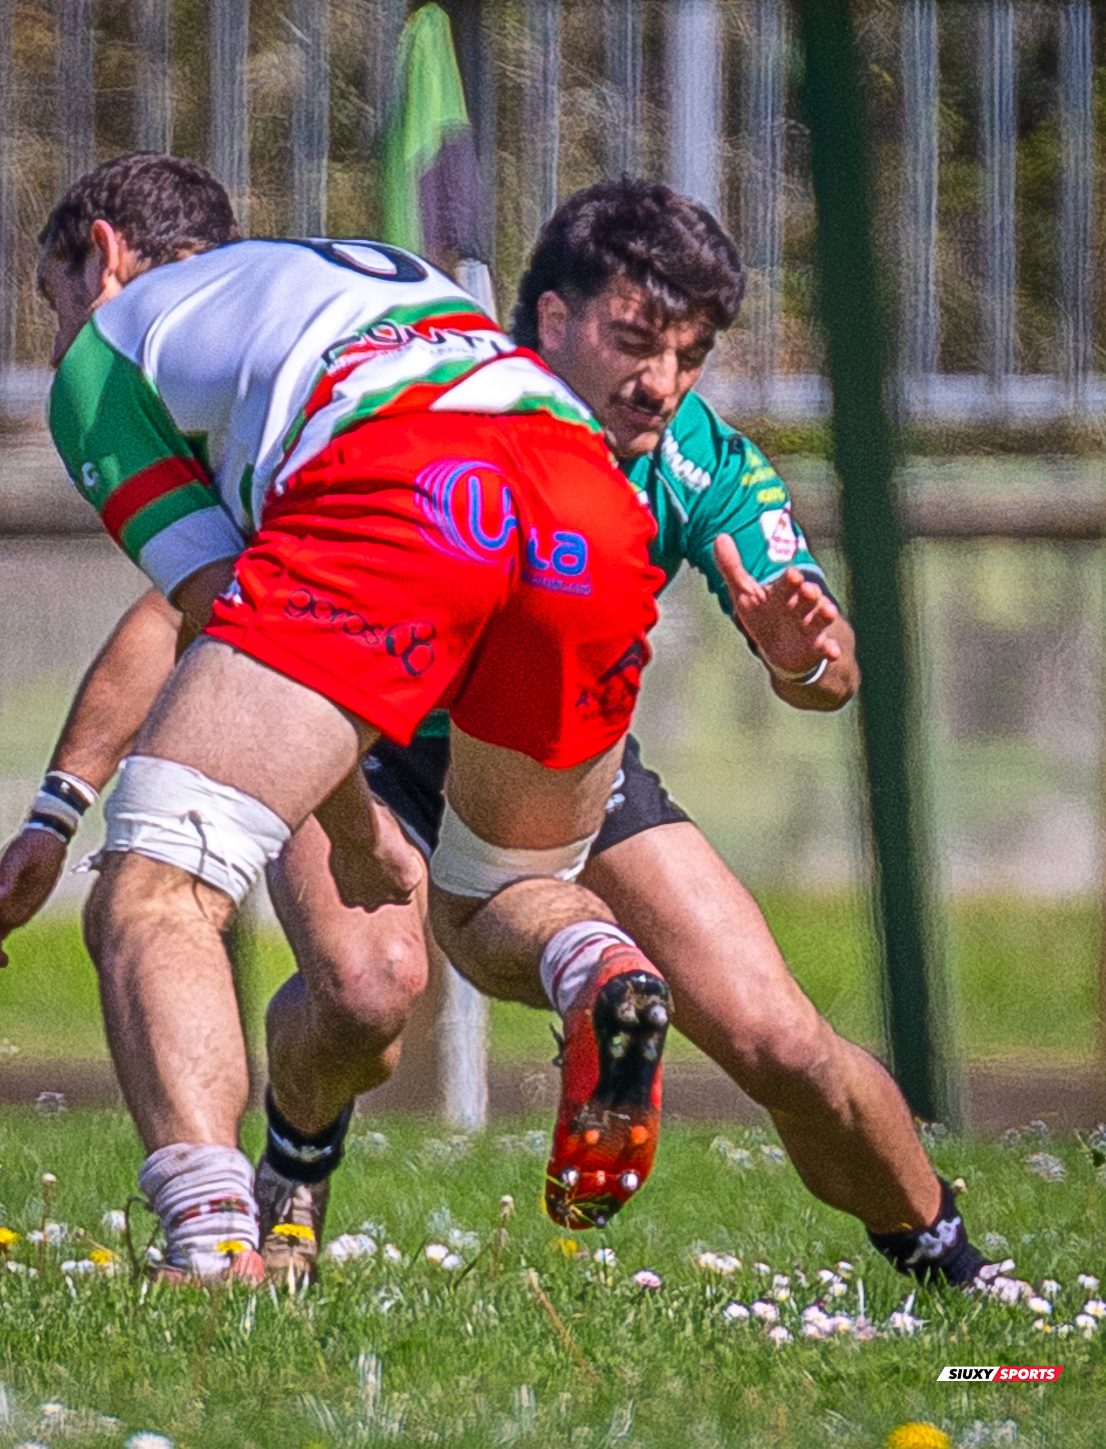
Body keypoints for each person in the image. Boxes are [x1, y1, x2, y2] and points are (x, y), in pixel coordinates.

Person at [0, 152, 672, 1285]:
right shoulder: (346, 278)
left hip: (400, 478)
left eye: (53, 306)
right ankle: (601, 967)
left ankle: (209, 1246)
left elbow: (221, 611)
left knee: (158, 882)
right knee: (495, 900)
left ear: (101, 256)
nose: (57, 342)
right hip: (582, 489)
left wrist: (348, 823)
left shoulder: (109, 353)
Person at [353, 178, 994, 1288]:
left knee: (783, 1041)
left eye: (690, 356)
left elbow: (828, 675)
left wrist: (800, 651)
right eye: (637, 341)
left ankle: (958, 1274)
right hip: (376, 746)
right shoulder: (432, 405)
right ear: (550, 319)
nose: (662, 384)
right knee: (360, 992)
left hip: (570, 756)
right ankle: (272, 1223)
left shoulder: (697, 458)